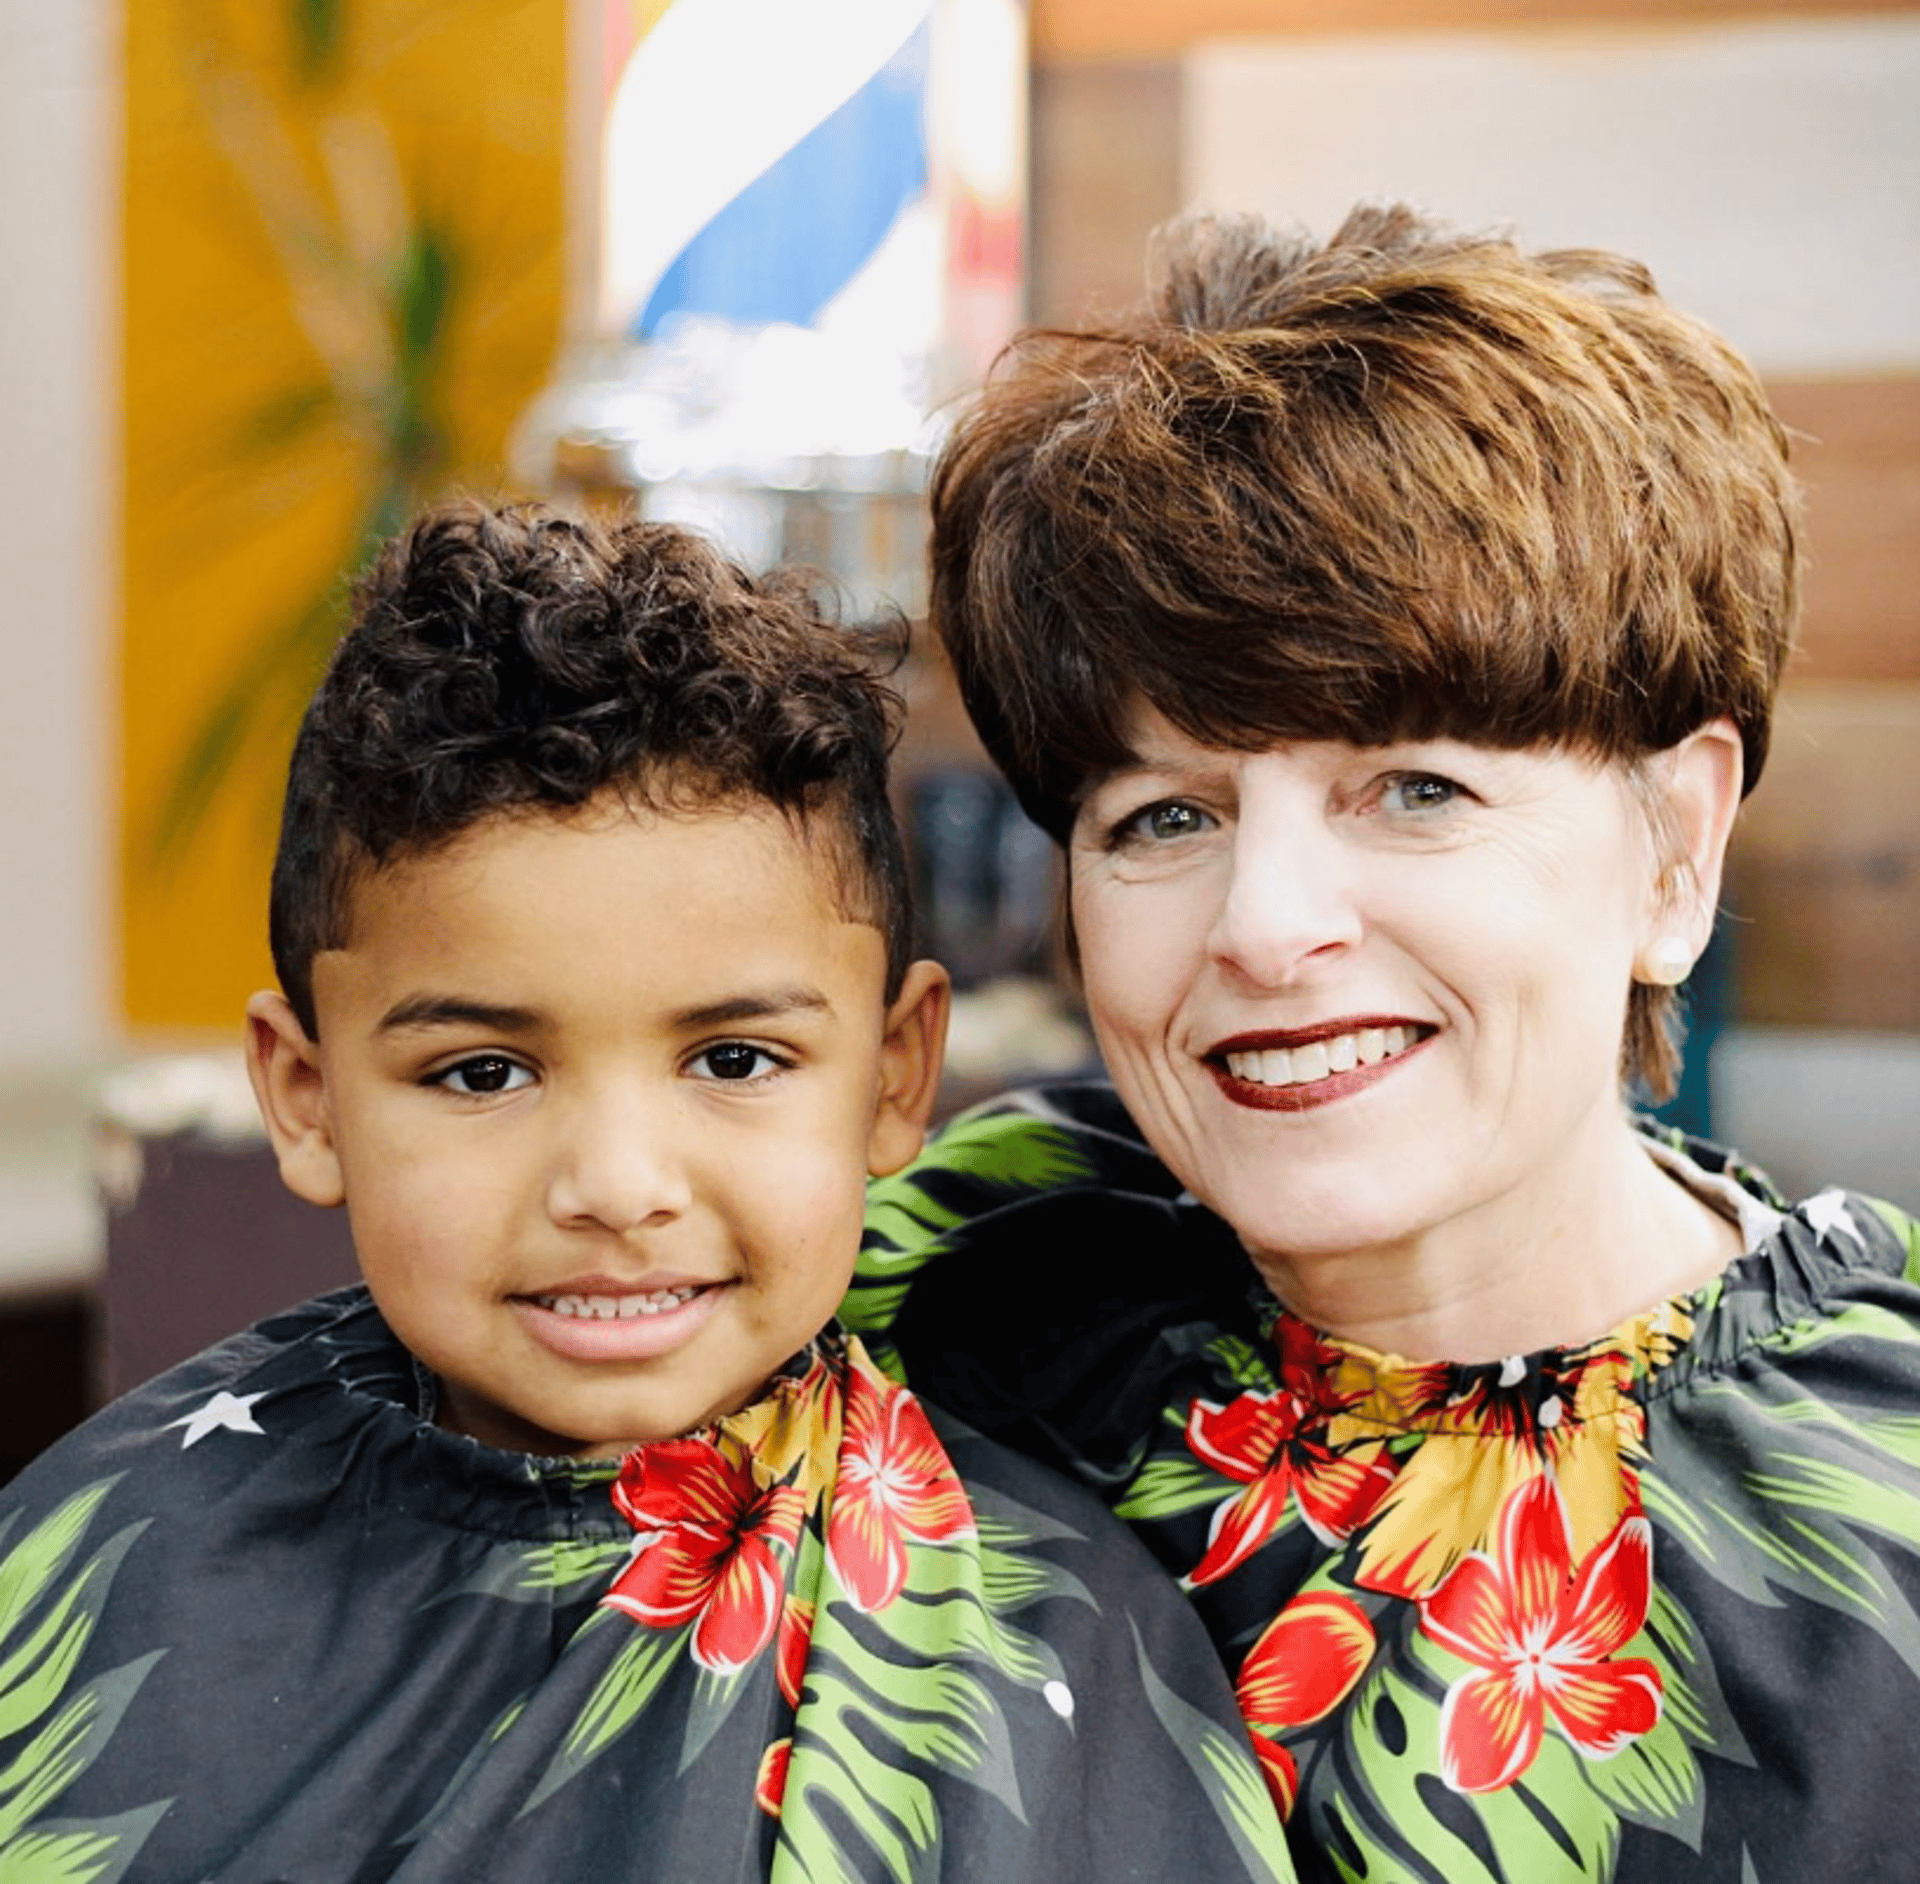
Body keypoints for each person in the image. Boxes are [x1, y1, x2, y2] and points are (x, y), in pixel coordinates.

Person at [850, 204, 1920, 1883]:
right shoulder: (924, 1291)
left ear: (1676, 851)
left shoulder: (1889, 1510)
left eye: (1415, 788)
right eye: (1161, 817)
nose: (1265, 924)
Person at [0, 501, 1294, 1882]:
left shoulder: (1067, 1652)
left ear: (894, 1078)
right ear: (305, 1096)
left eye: (734, 1059)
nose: (618, 1188)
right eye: (485, 1073)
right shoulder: (88, 1577)